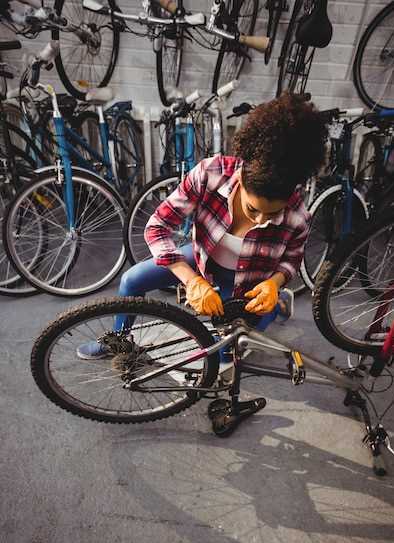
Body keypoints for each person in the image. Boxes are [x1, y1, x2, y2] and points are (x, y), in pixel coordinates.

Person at [77, 93, 327, 363]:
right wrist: (191, 280)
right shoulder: (209, 174)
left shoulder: (299, 215)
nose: (260, 221)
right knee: (131, 280)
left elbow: (291, 259)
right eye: (253, 210)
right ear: (240, 179)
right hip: (202, 261)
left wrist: (273, 284)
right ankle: (119, 343)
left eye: (273, 213)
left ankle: (276, 304)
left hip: (250, 285)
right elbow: (157, 226)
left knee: (219, 358)